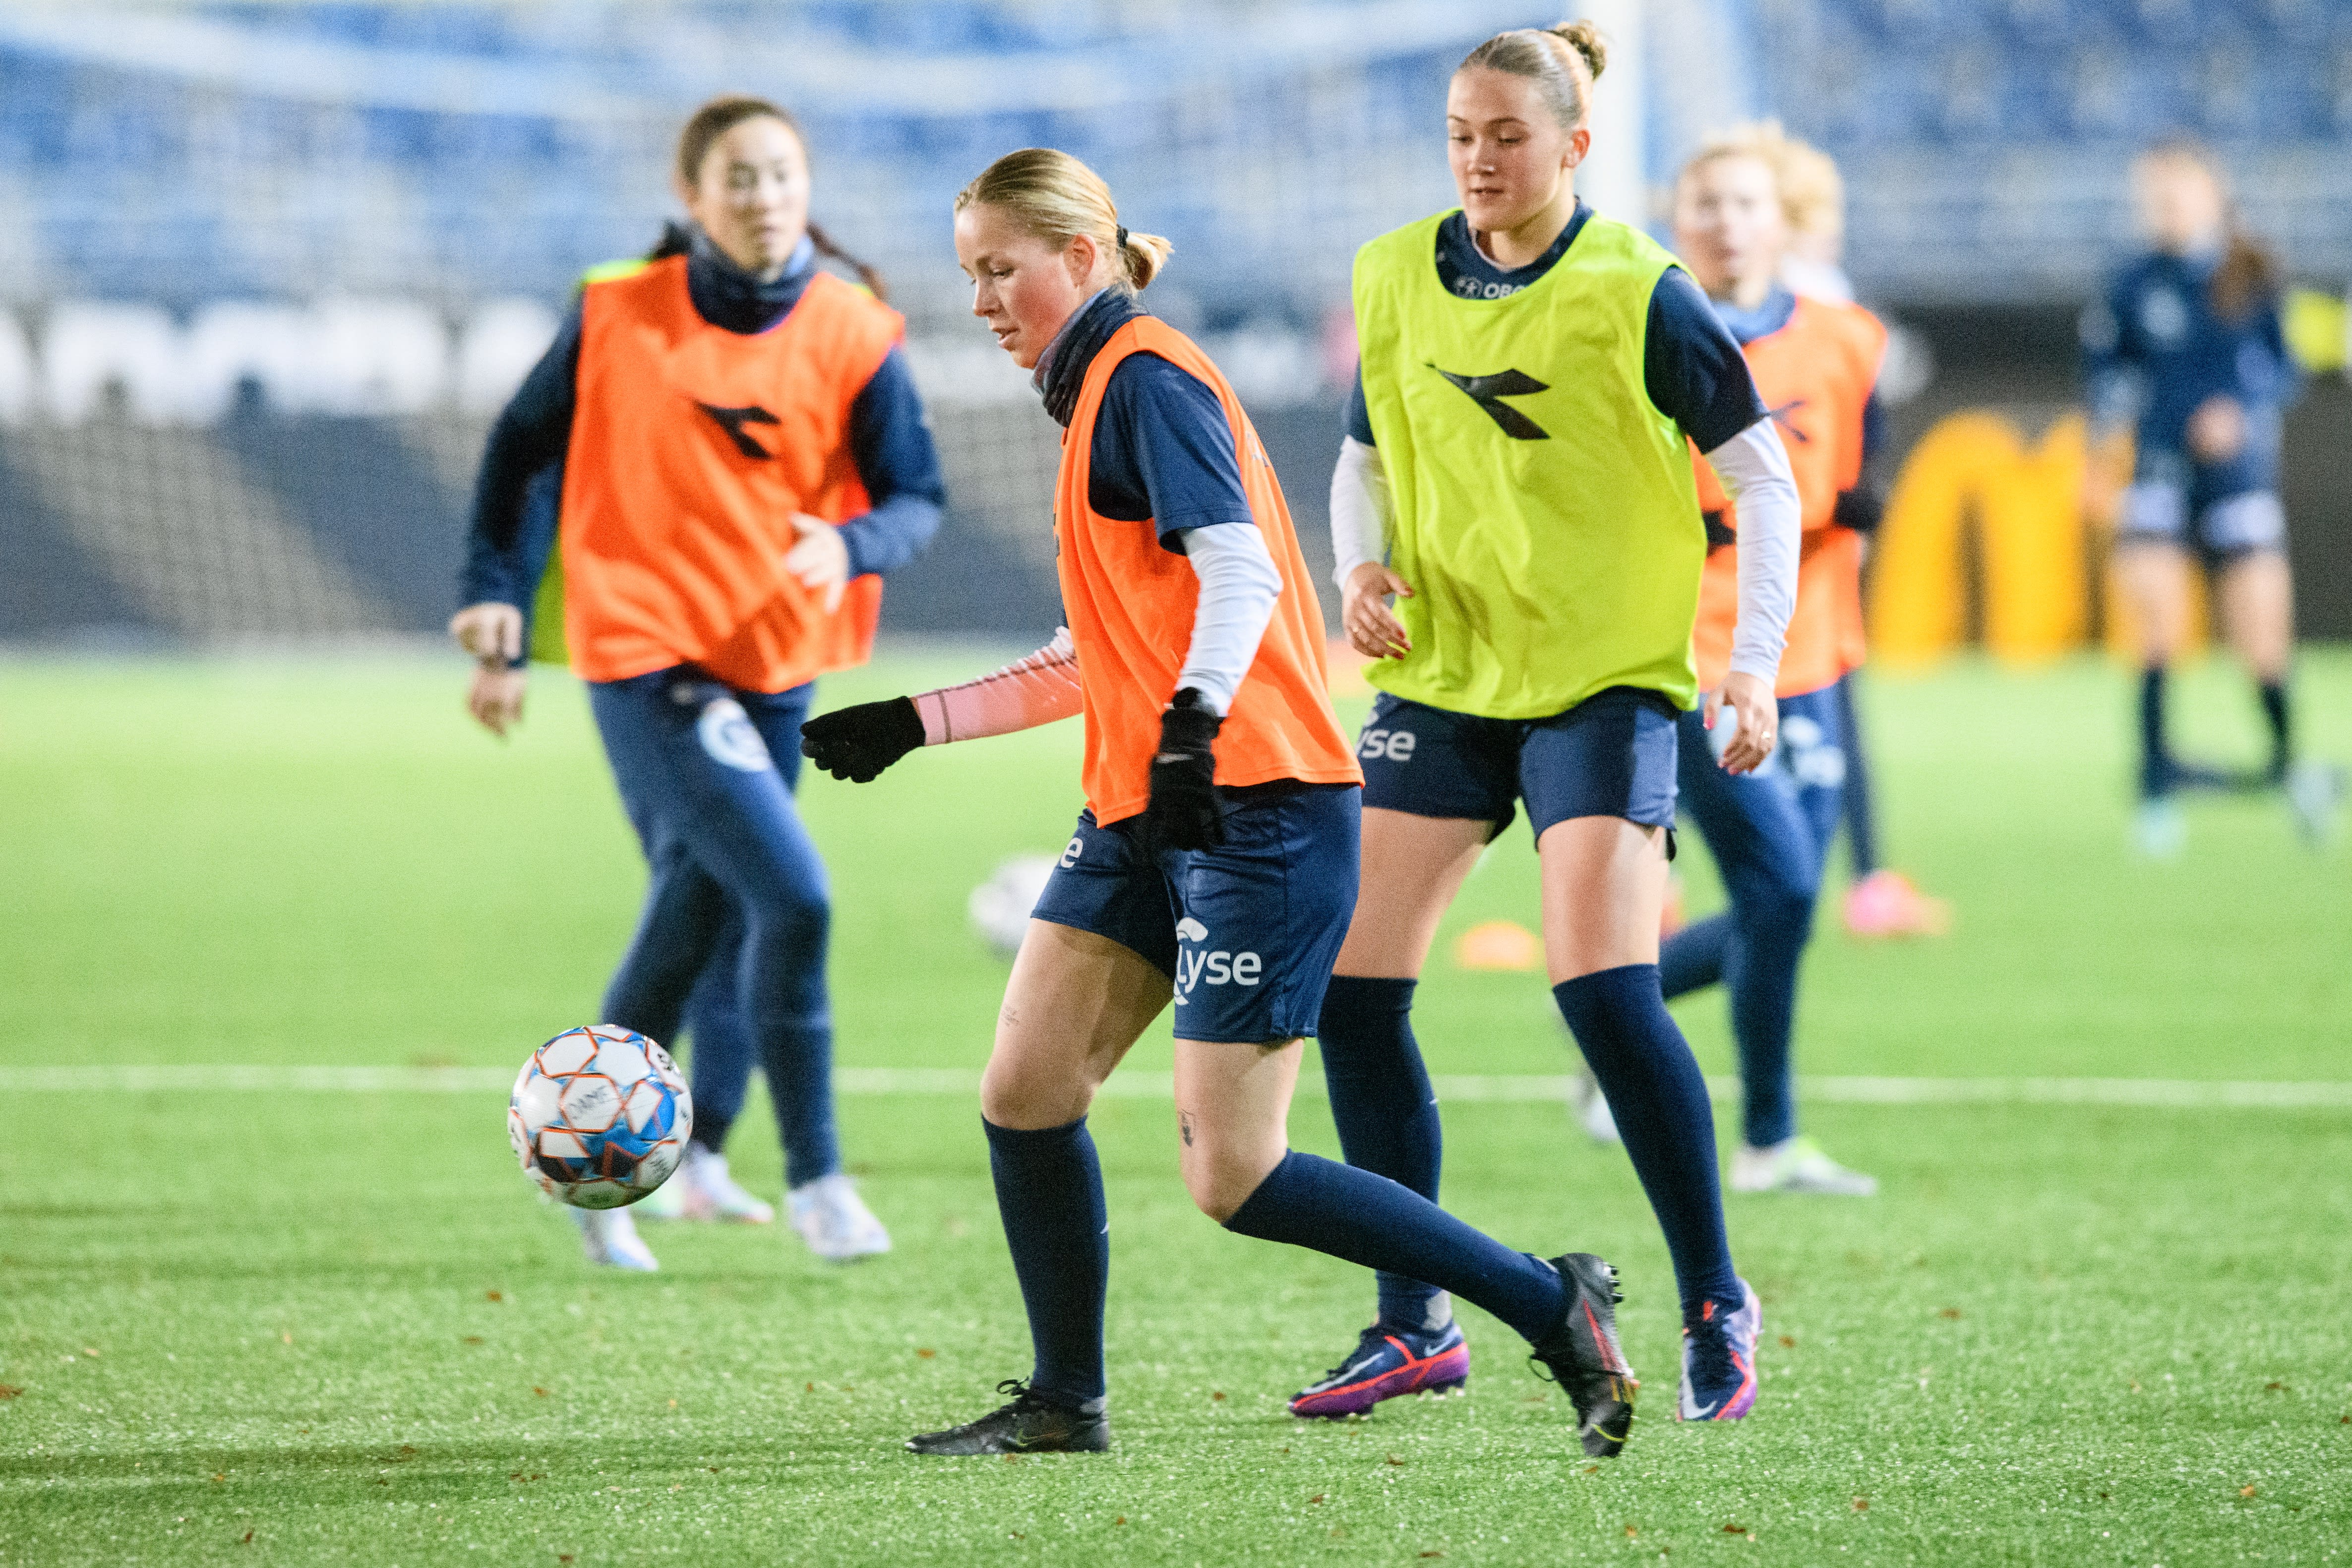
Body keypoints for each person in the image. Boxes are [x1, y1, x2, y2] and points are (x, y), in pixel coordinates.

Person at [802, 147, 1641, 1460]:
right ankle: (1064, 1400)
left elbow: (1242, 570)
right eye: (970, 275)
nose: (981, 301)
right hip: (1147, 807)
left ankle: (1550, 1303)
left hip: (1256, 808)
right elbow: (1093, 658)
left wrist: (1192, 731)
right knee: (1026, 1090)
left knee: (1234, 1175)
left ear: (1081, 258)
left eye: (1000, 270)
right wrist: (915, 721)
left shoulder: (1143, 378)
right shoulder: (1095, 394)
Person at [1301, 21, 1801, 1426]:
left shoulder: (1639, 290)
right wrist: (1358, 569)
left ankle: (1711, 1296)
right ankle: (1415, 1321)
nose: (1478, 158)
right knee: (1351, 993)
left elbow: (1765, 480)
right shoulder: (1393, 273)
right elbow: (1358, 461)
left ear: (1575, 146)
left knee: (1601, 991)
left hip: (1602, 686)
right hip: (1445, 682)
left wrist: (1751, 665)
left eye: (1508, 136)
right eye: (1461, 134)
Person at [452, 94, 943, 1270]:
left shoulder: (855, 329)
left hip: (772, 662)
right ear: (692, 196)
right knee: (794, 897)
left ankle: (650, 1163)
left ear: (808, 189)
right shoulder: (618, 309)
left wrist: (850, 546)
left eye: (782, 175)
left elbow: (914, 497)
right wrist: (494, 599)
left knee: (704, 904)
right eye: (739, 178)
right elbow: (520, 451)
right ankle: (820, 1182)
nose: (765, 198)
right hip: (645, 657)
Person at [1635, 126, 1883, 1197]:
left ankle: (1610, 1002)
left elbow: (1861, 473)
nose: (1726, 223)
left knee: (1783, 903)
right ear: (1676, 222)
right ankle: (1766, 1136)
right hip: (1697, 651)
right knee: (1778, 884)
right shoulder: (1647, 335)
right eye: (1706, 203)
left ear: (1785, 222)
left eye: (1746, 204)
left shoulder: (1847, 339)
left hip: (1813, 650)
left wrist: (1850, 514)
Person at [2082, 140, 2341, 854]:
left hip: (2237, 482)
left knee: (2263, 641)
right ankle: (2155, 791)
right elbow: (2105, 379)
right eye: (2151, 197)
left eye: (2172, 195)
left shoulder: (2254, 274)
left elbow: (2283, 369)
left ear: (2210, 195)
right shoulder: (2132, 282)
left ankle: (2289, 769)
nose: (2160, 209)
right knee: (2156, 632)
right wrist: (2101, 456)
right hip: (2159, 475)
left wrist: (2240, 412)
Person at [1773, 133, 1951, 939]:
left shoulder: (1800, 299)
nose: (1833, 228)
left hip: (1798, 537)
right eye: (1821, 212)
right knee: (1823, 706)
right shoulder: (1809, 304)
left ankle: (1863, 877)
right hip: (1796, 541)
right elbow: (1856, 423)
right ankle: (1864, 880)